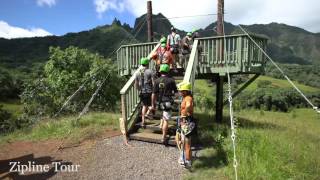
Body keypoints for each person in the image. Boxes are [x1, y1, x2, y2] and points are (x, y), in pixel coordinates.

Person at [152, 64, 178, 145]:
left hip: (160, 102)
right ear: (168, 71)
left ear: (160, 71)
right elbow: (176, 92)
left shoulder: (156, 81)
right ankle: (164, 137)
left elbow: (153, 94)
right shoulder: (171, 80)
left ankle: (161, 126)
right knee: (166, 120)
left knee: (164, 115)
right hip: (167, 102)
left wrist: (153, 104)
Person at [175, 81, 194, 168]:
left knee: (187, 143)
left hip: (187, 122)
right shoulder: (185, 97)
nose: (180, 92)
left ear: (186, 91)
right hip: (184, 122)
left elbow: (189, 105)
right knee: (182, 140)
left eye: (181, 91)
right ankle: (184, 158)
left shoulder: (188, 98)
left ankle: (188, 161)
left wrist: (184, 113)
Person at [135, 57, 155, 128]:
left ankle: (143, 121)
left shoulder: (137, 72)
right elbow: (153, 82)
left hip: (142, 92)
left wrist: (138, 89)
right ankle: (148, 114)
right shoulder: (150, 71)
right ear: (147, 63)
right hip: (149, 91)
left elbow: (136, 84)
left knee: (144, 106)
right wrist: (154, 90)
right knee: (151, 105)